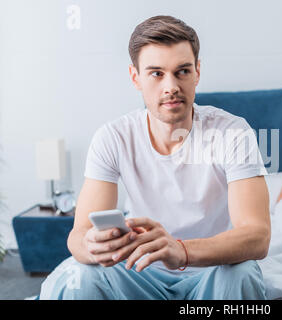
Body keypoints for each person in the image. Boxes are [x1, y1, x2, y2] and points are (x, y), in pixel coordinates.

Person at [40, 15, 270, 300]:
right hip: (139, 272)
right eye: (157, 73)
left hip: (211, 272)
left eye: (182, 71)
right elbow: (78, 236)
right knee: (79, 274)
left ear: (197, 72)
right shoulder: (113, 137)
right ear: (135, 77)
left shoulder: (233, 132)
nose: (171, 86)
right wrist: (93, 246)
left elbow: (258, 236)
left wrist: (180, 250)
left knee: (243, 272)